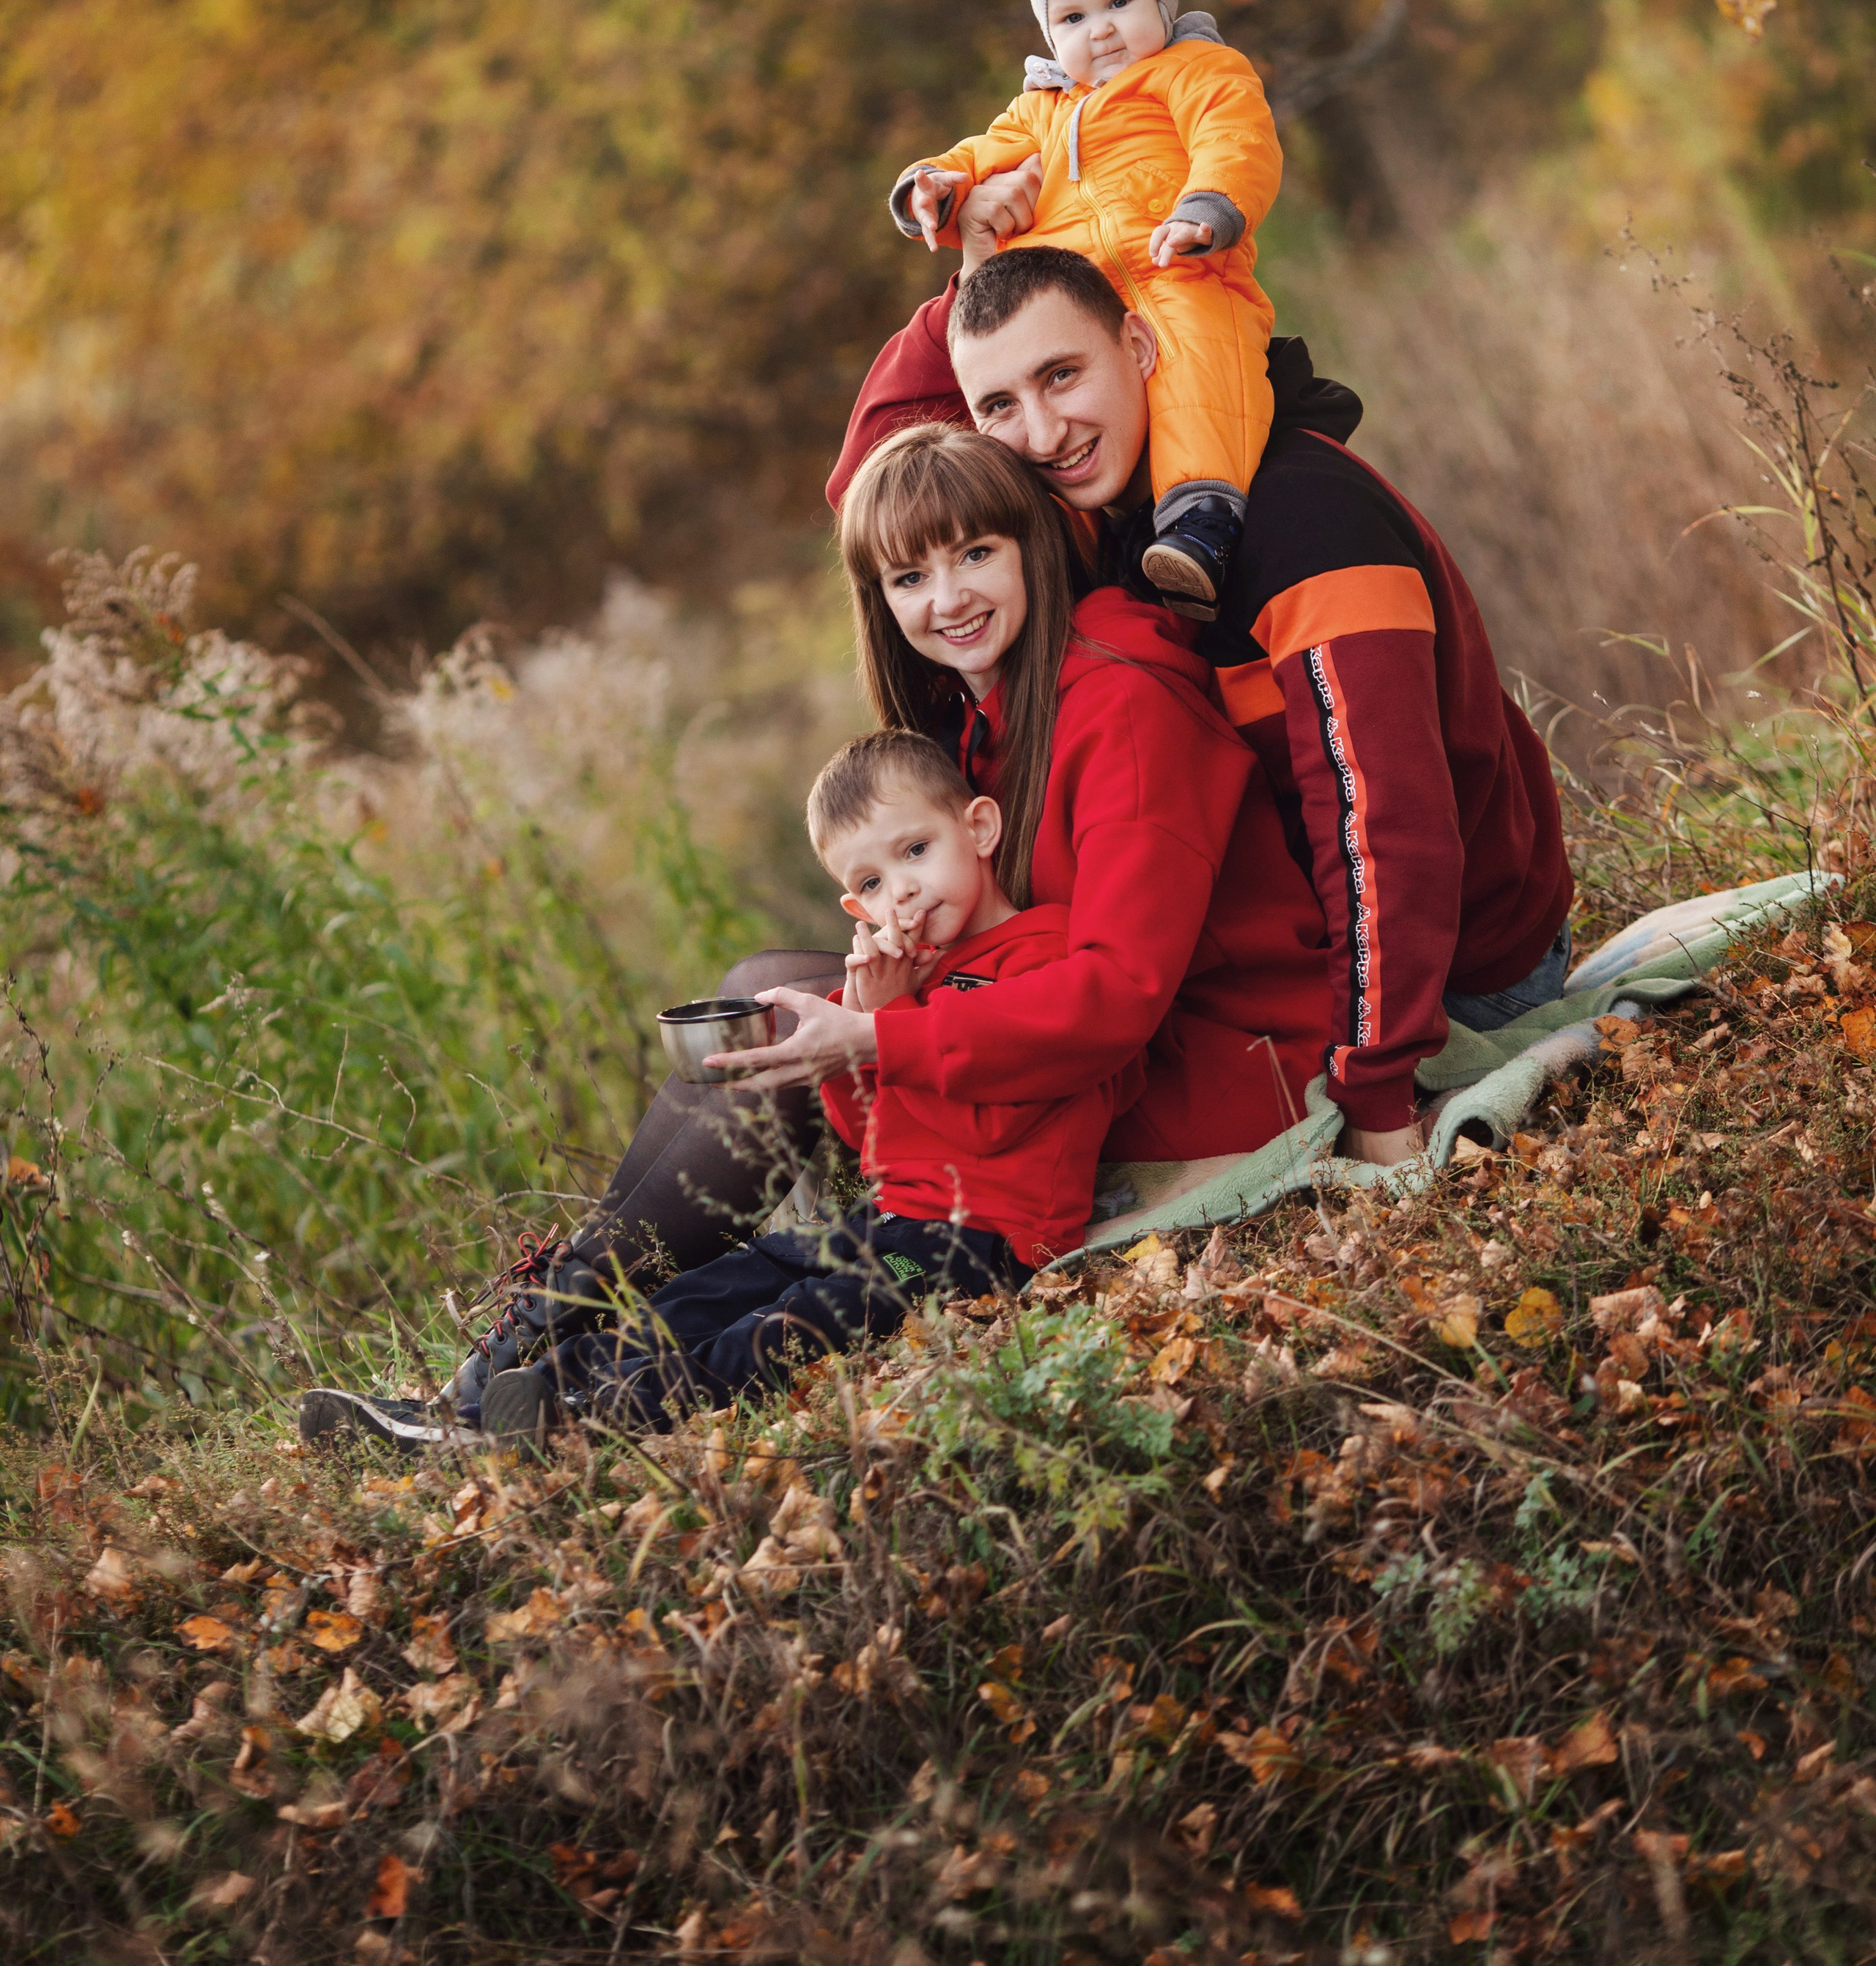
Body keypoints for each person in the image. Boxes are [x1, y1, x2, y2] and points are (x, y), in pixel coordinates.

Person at [297, 424, 1332, 1451]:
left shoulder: (1122, 703)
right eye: (909, 578)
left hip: (1201, 1061)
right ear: (877, 600)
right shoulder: (989, 714)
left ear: (1036, 544)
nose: (951, 597)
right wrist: (882, 999)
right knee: (766, 1002)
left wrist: (877, 1038)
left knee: (798, 1065)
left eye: (978, 555)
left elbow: (1116, 997)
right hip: (1039, 1037)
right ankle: (524, 1362)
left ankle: (528, 1369)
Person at [827, 233, 1574, 1170]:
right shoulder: (1107, 510)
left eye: (1063, 375)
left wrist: (1375, 1088)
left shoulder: (1305, 522)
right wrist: (973, 270)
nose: (1044, 434)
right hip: (1278, 960)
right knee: (794, 1002)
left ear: (1139, 349)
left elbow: (1388, 829)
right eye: (999, 406)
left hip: (1461, 973)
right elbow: (874, 484)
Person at [473, 725, 1134, 1444]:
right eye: (872, 883)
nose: (903, 888)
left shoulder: (1042, 957)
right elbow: (868, 1141)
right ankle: (533, 1390)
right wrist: (854, 1029)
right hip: (888, 1219)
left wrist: (887, 1021)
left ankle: (591, 1415)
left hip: (979, 1244)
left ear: (977, 828)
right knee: (727, 1281)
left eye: (916, 850)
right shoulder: (913, 976)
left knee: (802, 1318)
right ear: (857, 910)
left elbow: (991, 1127)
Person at [890, 0, 1282, 613]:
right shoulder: (1040, 109)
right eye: (1072, 16)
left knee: (1199, 365)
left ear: (1160, 0)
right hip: (1076, 301)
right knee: (1047, 404)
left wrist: (1208, 209)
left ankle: (1200, 518)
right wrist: (937, 187)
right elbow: (984, 151)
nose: (1098, 31)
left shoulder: (1196, 70)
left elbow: (1235, 139)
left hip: (1177, 268)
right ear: (1047, 33)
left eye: (1119, 3)